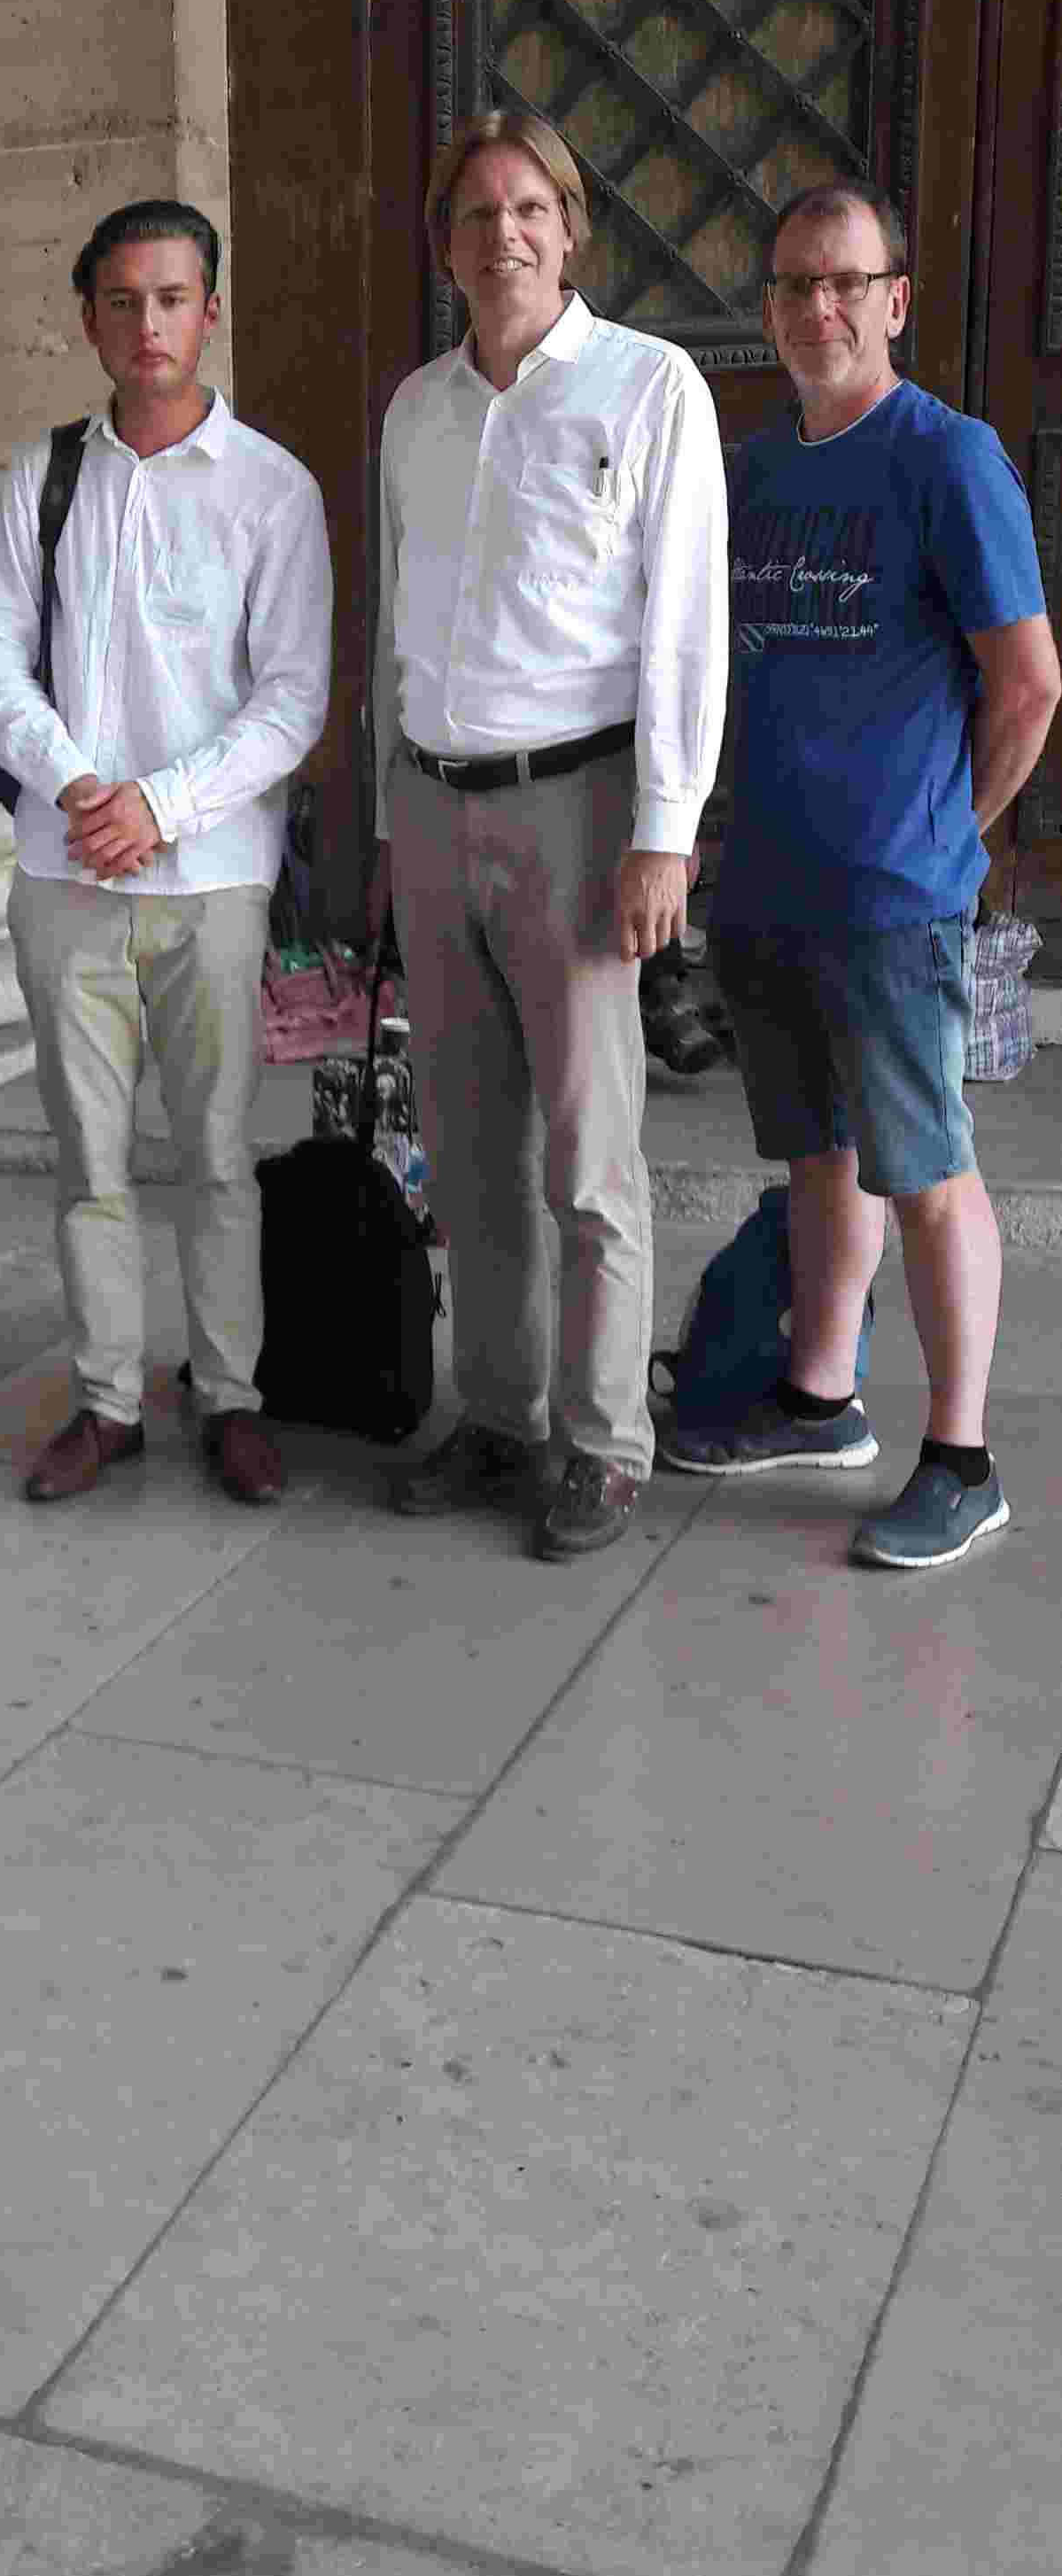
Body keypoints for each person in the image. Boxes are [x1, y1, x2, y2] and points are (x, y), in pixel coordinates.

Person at [661, 181, 1058, 1565]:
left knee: (925, 1169)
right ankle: (818, 1399)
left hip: (893, 897)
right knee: (816, 1157)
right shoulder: (755, 470)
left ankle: (962, 1458)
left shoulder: (947, 457)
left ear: (893, 299)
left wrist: (951, 832)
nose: (817, 307)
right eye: (791, 284)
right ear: (768, 308)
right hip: (768, 883)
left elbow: (1027, 682)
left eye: (844, 282)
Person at [371, 105, 730, 1559]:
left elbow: (684, 624)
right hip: (434, 803)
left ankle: (602, 1440)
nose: (503, 234)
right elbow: (398, 617)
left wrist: (664, 833)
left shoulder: (647, 387)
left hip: (579, 811)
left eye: (530, 208)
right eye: (476, 212)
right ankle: (500, 1413)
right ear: (445, 244)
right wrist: (388, 813)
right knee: (468, 1154)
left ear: (571, 229)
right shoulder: (417, 409)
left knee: (588, 1157)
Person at [0, 198, 332, 1505]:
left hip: (211, 878)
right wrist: (80, 786)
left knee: (218, 1156)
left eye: (172, 298)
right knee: (88, 1159)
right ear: (89, 319)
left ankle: (229, 1396)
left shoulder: (271, 489)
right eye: (122, 301)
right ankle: (107, 1400)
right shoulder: (45, 477)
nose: (148, 325)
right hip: (64, 867)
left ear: (209, 311)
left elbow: (291, 698)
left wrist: (162, 806)